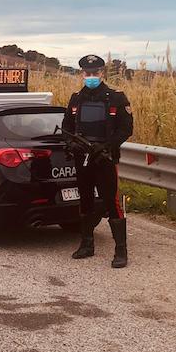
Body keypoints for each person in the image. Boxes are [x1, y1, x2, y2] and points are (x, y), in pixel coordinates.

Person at [62, 54, 133, 268]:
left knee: (111, 202)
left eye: (95, 73)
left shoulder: (116, 97)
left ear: (102, 73)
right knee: (85, 200)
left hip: (106, 158)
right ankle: (86, 244)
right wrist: (71, 144)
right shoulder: (76, 98)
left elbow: (126, 129)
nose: (91, 77)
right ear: (82, 74)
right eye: (87, 73)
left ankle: (121, 251)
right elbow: (66, 127)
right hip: (82, 157)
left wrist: (108, 146)